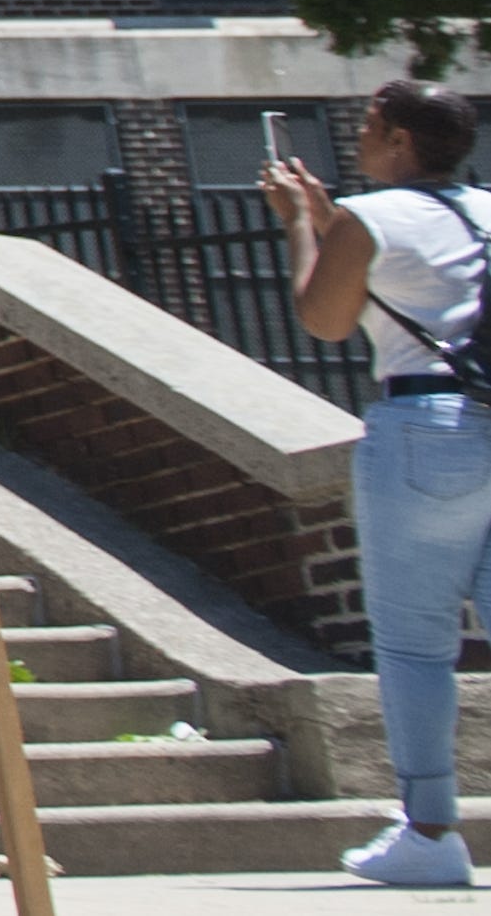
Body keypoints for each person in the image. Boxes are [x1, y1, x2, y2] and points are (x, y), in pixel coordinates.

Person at [269, 81, 491, 887]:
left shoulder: (373, 215)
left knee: (414, 642)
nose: (356, 138)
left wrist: (302, 224)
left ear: (399, 139)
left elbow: (324, 318)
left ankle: (430, 830)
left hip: (425, 431)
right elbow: (422, 286)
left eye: (366, 126)